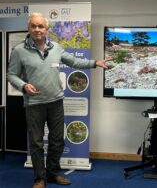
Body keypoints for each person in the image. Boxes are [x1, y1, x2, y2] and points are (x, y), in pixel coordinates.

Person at [7, 12, 111, 188]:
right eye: (34, 26)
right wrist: (24, 85)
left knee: (57, 140)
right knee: (36, 143)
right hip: (34, 104)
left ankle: (53, 173)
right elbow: (11, 74)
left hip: (55, 102)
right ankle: (40, 178)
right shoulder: (19, 51)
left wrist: (95, 63)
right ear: (29, 28)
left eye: (41, 26)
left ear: (47, 29)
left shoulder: (56, 47)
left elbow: (73, 62)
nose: (37, 29)